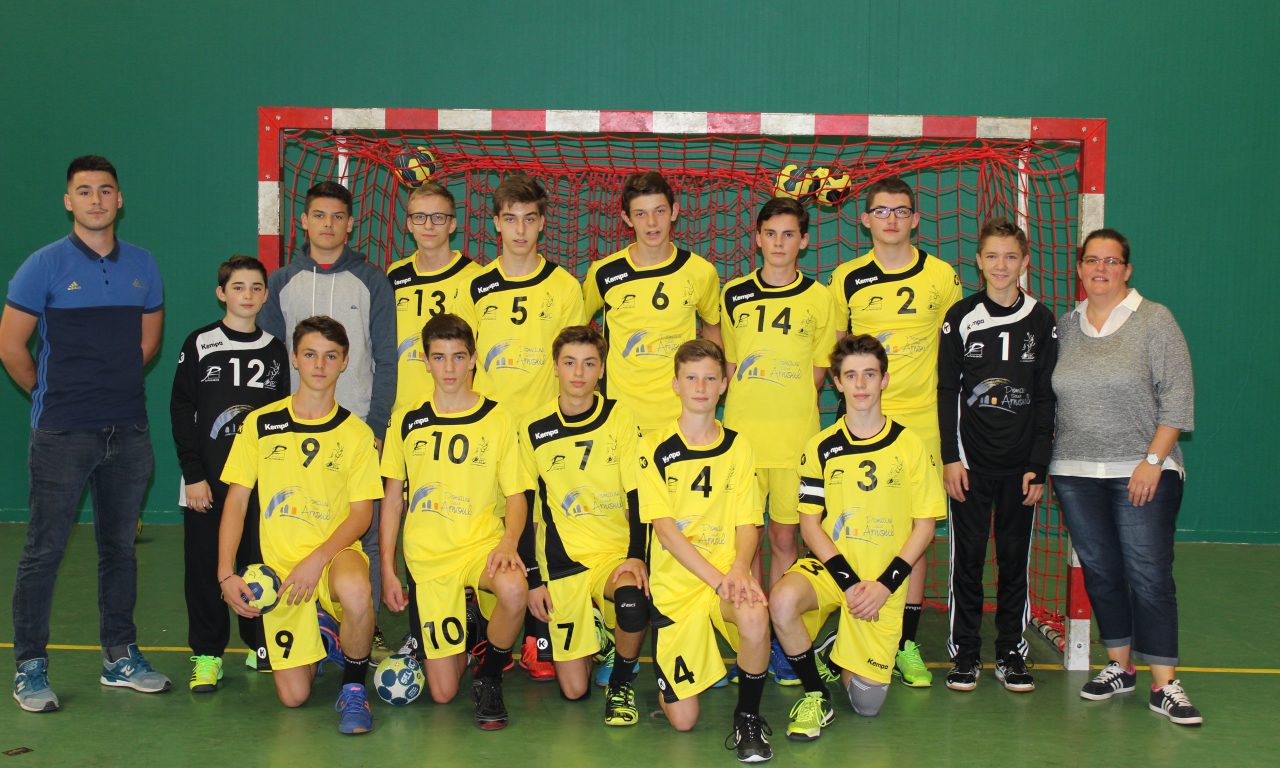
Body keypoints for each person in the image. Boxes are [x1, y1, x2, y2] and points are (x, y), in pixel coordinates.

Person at [2, 155, 169, 712]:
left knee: (119, 548)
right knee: (43, 551)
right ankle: (30, 665)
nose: (96, 199)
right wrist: (52, 396)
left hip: (128, 432)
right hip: (62, 434)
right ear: (68, 201)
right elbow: (12, 348)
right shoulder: (42, 266)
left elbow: (146, 346)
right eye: (84, 191)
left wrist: (111, 393)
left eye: (105, 190)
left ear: (119, 200)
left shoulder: (143, 265)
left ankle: (119, 656)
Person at [1049, 229, 1201, 726]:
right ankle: (1119, 666)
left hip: (1142, 472)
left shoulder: (1155, 320)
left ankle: (1165, 684)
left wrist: (1153, 462)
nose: (1101, 269)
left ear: (1127, 270)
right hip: (1074, 473)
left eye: (1111, 262)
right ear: (1079, 268)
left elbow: (1177, 401)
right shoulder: (1066, 326)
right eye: (1092, 260)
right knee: (1101, 572)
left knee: (1149, 575)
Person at [770, 334, 945, 740]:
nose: (861, 384)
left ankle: (837, 650)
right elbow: (810, 525)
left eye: (870, 374)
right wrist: (848, 584)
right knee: (781, 599)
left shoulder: (910, 446)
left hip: (884, 581)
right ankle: (815, 693)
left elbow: (924, 527)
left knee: (867, 705)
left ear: (884, 380)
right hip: (834, 571)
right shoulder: (820, 447)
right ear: (836, 382)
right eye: (851, 376)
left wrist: (884, 586)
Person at [218, 316, 383, 734]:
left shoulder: (357, 434)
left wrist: (317, 560)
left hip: (333, 557)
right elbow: (236, 502)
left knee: (356, 592)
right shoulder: (261, 424)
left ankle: (353, 688)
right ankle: (325, 633)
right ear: (294, 358)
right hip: (281, 574)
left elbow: (362, 515)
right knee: (293, 698)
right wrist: (225, 574)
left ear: (345, 362)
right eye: (310, 354)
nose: (320, 365)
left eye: (331, 356)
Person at [827, 176, 960, 686]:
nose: (891, 220)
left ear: (916, 218)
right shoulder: (847, 277)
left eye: (901, 211)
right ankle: (853, 627)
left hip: (921, 420)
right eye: (881, 211)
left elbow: (955, 351)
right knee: (856, 524)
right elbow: (842, 354)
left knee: (912, 532)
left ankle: (904, 640)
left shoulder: (942, 275)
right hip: (860, 422)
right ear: (865, 219)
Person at [259, 180, 397, 652]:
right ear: (304, 220)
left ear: (351, 224)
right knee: (293, 522)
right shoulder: (280, 282)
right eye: (319, 215)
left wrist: (376, 427)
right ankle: (302, 625)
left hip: (356, 432)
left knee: (369, 533)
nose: (328, 224)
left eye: (337, 217)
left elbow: (387, 359)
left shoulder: (373, 280)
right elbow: (272, 361)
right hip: (293, 431)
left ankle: (366, 628)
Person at [456, 173, 584, 678]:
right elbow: (462, 357)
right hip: (488, 429)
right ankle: (483, 630)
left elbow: (573, 358)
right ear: (495, 224)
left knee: (542, 528)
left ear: (543, 224)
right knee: (488, 527)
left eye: (530, 219)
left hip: (545, 430)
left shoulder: (564, 286)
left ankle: (539, 636)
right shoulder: (476, 285)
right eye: (510, 219)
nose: (520, 229)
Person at [379, 313, 531, 730]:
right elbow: (393, 500)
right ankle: (467, 632)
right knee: (443, 693)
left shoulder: (498, 418)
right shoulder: (406, 419)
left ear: (474, 360)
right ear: (425, 362)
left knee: (515, 590)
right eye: (439, 357)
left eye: (458, 357)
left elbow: (517, 496)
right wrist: (389, 571)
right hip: (428, 558)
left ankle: (489, 675)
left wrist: (508, 543)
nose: (449, 368)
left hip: (481, 544)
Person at [937, 219, 1057, 692]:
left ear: (1024, 262)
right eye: (992, 256)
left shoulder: (1041, 319)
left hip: (1019, 468)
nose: (1001, 265)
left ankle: (1011, 651)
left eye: (1011, 257)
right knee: (966, 559)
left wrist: (1038, 464)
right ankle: (965, 653)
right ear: (979, 261)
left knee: (1013, 560)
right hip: (970, 464)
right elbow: (948, 390)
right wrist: (951, 457)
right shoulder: (961, 316)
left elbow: (1047, 396)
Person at [721, 197, 837, 684]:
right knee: (736, 547)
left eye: (790, 235)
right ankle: (742, 642)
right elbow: (729, 368)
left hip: (795, 442)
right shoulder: (734, 293)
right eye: (771, 233)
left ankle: (780, 642)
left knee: (786, 538)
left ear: (804, 241)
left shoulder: (821, 299)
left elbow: (816, 374)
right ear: (758, 237)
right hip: (743, 443)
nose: (779, 243)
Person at [639, 339, 772, 763]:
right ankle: (677, 668)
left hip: (725, 576)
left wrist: (738, 570)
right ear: (675, 384)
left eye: (710, 378)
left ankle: (747, 717)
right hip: (678, 588)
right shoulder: (654, 446)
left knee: (754, 613)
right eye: (691, 378)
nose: (701, 386)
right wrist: (720, 579)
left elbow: (748, 522)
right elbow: (665, 532)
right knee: (683, 721)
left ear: (724, 384)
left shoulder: (739, 446)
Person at [519, 325, 649, 725]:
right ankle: (595, 629)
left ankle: (622, 685)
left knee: (631, 602)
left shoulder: (619, 416)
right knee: (573, 691)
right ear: (555, 367)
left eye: (589, 364)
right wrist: (534, 579)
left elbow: (636, 494)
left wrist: (635, 557)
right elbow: (524, 505)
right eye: (570, 363)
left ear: (602, 370)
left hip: (612, 555)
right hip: (563, 563)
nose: (579, 373)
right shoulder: (533, 427)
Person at [170, 255, 289, 691]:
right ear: (222, 293)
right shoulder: (199, 343)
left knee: (259, 563)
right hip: (208, 482)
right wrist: (192, 472)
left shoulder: (275, 349)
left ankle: (262, 645)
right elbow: (182, 409)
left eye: (256, 288)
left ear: (265, 294)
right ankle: (206, 655)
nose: (248, 295)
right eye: (238, 287)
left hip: (261, 483)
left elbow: (282, 419)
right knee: (204, 567)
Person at [583, 171, 722, 436]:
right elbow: (577, 332)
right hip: (620, 416)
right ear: (627, 218)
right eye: (641, 214)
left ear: (674, 212)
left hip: (682, 416)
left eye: (659, 211)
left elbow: (713, 333)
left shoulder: (701, 272)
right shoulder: (603, 272)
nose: (652, 223)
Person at [387, 181, 481, 411]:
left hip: (454, 409)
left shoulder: (475, 278)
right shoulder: (395, 275)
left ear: (452, 224)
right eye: (419, 217)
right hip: (402, 409)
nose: (428, 225)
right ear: (409, 224)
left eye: (438, 217)